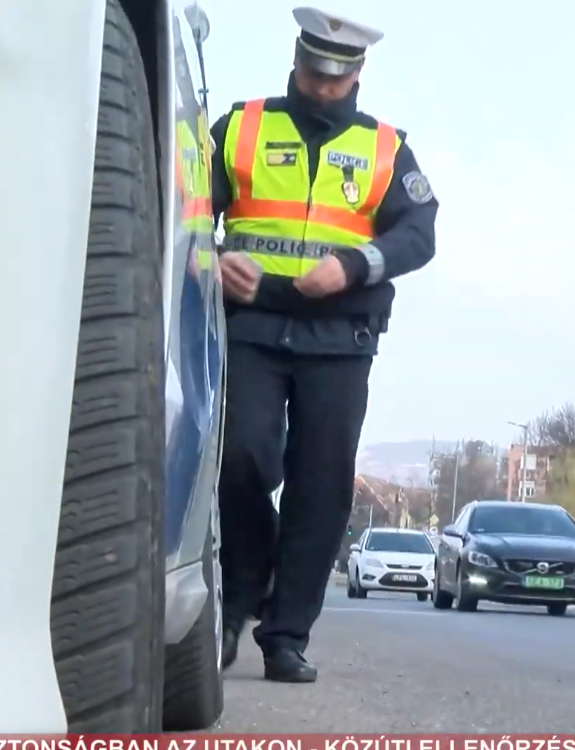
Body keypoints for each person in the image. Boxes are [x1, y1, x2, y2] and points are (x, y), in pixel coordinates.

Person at [209, 6, 439, 683]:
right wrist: (210, 254)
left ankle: (285, 633)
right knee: (241, 458)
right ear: (297, 58)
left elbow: (418, 232)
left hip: (340, 335)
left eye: (336, 75)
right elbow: (182, 207)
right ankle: (239, 590)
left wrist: (355, 264)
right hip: (250, 322)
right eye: (313, 69)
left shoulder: (387, 147)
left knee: (322, 483)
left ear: (358, 72)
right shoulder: (241, 126)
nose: (322, 84)